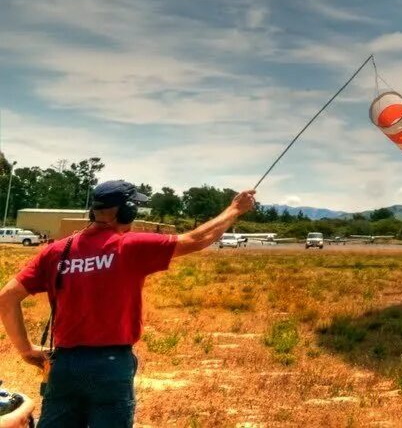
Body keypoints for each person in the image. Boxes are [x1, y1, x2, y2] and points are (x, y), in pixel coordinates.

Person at [0, 179, 257, 428]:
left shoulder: (57, 251)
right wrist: (234, 209)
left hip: (65, 364)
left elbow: (6, 297)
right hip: (111, 365)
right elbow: (197, 239)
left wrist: (26, 350)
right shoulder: (130, 246)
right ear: (127, 211)